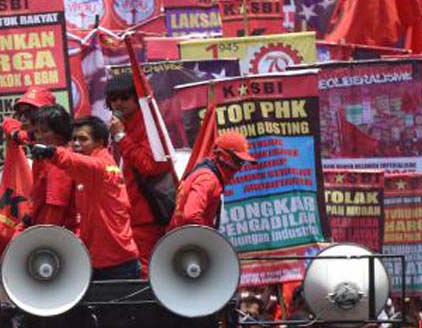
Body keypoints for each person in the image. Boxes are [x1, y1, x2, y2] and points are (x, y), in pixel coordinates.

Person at [30, 116, 141, 280]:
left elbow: (72, 160)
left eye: (83, 139)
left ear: (100, 142)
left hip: (115, 265)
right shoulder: (90, 169)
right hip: (100, 260)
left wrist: (52, 152)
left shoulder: (99, 166)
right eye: (74, 139)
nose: (76, 144)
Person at [105, 74, 172, 270]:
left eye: (125, 98)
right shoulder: (118, 124)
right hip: (123, 214)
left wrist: (121, 136)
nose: (119, 103)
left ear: (136, 98)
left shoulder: (147, 125)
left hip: (145, 215)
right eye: (114, 99)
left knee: (145, 268)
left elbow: (149, 166)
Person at [168, 131, 258, 230]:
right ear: (222, 156)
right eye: (238, 161)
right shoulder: (208, 179)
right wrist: (210, 235)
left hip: (183, 237)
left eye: (242, 162)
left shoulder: (209, 174)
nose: (239, 167)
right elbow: (191, 215)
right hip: (185, 240)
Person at [26, 105, 76, 229]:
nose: (38, 136)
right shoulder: (45, 158)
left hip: (55, 235)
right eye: (37, 131)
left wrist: (45, 237)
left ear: (60, 132)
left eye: (45, 131)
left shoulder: (60, 161)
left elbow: (56, 208)